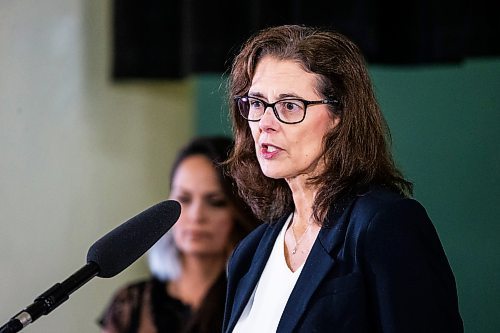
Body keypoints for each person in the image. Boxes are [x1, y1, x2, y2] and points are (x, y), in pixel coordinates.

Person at [222, 25, 464, 332]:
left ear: (339, 116)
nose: (265, 124)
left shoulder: (384, 224)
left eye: (290, 106)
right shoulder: (249, 253)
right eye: (257, 103)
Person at [98, 136, 260, 333]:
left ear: (238, 211)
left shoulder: (255, 303)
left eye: (215, 201)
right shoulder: (131, 304)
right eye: (184, 198)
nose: (196, 216)